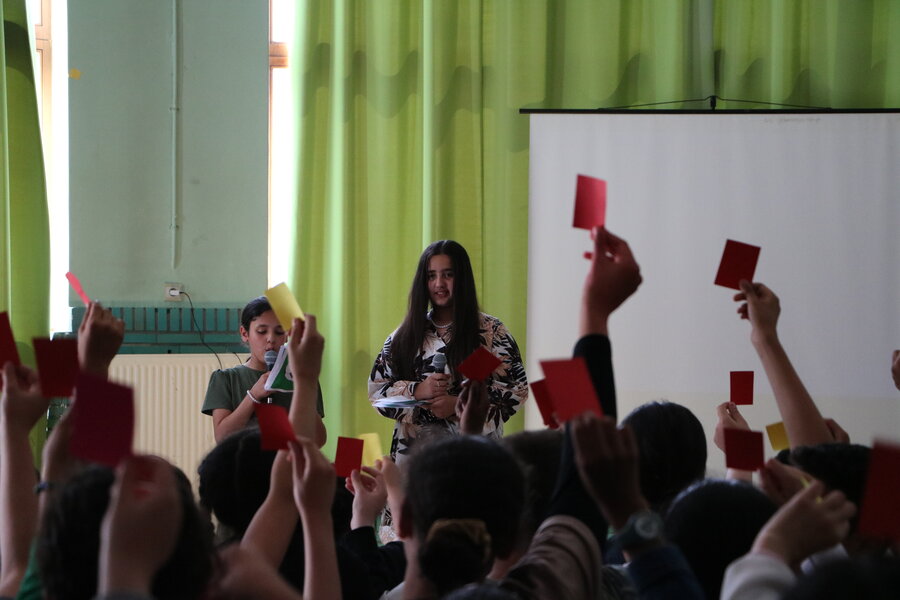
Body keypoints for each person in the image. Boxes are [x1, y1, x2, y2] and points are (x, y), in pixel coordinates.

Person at [368, 240, 527, 463]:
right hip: (415, 461)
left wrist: (458, 405)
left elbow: (516, 390)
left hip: (474, 458)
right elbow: (377, 393)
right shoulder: (404, 336)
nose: (439, 283)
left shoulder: (492, 332)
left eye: (448, 274)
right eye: (431, 275)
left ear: (462, 278)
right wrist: (417, 390)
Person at [201, 296, 325, 444]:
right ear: (245, 333)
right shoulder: (226, 378)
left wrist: (303, 385)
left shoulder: (300, 378)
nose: (271, 339)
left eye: (279, 332)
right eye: (261, 331)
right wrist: (253, 396)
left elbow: (318, 440)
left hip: (286, 463)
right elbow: (222, 437)